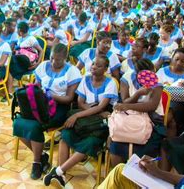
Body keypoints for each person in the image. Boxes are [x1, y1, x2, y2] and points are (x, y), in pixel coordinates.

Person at [44, 56, 118, 187]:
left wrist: (78, 115)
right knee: (65, 136)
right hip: (85, 119)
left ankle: (58, 171)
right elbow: (80, 102)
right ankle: (61, 175)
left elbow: (102, 107)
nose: (94, 66)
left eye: (99, 66)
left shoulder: (110, 83)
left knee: (90, 142)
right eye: (93, 63)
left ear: (106, 69)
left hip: (100, 124)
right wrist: (90, 113)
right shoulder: (85, 79)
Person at [13, 44, 82, 180]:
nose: (53, 62)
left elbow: (69, 99)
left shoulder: (72, 71)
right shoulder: (44, 66)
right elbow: (37, 87)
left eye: (58, 60)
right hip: (40, 104)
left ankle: (37, 162)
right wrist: (37, 93)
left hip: (60, 107)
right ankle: (42, 155)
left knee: (35, 126)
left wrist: (50, 96)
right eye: (52, 58)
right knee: (18, 123)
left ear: (65, 58)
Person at [108, 59, 165, 167]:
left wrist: (126, 106)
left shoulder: (156, 80)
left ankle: (140, 178)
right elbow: (125, 100)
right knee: (116, 143)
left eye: (150, 73)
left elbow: (151, 105)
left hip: (152, 117)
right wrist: (138, 93)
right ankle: (119, 176)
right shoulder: (127, 77)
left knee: (149, 145)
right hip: (129, 116)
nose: (148, 77)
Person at [157, 48, 184, 137]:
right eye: (177, 59)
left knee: (174, 105)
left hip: (183, 107)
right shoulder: (161, 72)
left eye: (183, 61)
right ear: (172, 57)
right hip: (161, 104)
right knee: (172, 121)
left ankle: (160, 128)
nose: (179, 63)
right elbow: (155, 90)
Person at [8, 21, 44, 95]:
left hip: (28, 62)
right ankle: (10, 93)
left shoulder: (31, 39)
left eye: (17, 29)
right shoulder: (20, 38)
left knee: (13, 61)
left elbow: (41, 51)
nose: (16, 31)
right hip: (20, 61)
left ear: (20, 30)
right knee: (10, 66)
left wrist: (38, 64)